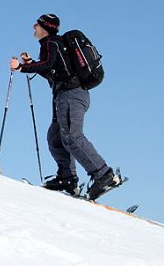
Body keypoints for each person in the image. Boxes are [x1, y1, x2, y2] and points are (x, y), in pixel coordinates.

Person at [9, 14, 120, 200]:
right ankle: (66, 178)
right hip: (68, 95)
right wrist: (31, 64)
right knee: (56, 137)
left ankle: (104, 175)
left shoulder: (50, 43)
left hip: (71, 95)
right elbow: (54, 71)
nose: (33, 26)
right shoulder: (56, 45)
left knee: (71, 136)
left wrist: (21, 67)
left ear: (45, 27)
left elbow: (48, 64)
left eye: (37, 24)